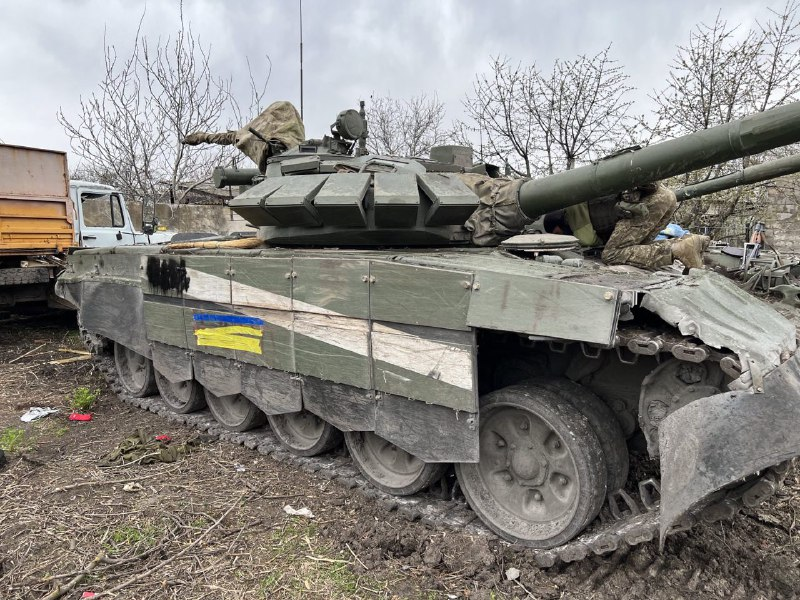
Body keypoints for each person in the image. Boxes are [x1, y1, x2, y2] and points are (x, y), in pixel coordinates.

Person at [543, 183, 709, 270]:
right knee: (637, 249)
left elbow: (590, 241)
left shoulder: (574, 219)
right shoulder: (576, 201)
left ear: (558, 223)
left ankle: (678, 249)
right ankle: (693, 242)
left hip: (645, 203)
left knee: (612, 254)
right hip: (666, 196)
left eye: (557, 233)